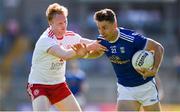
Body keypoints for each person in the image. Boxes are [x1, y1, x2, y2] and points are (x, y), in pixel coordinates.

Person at [27, 3, 106, 111]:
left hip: (59, 85)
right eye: (60, 23)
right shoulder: (46, 40)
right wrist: (87, 48)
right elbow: (65, 55)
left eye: (65, 21)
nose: (64, 25)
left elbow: (90, 42)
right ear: (50, 23)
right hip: (39, 85)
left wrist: (106, 43)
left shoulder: (69, 36)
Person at [86, 8, 164, 111]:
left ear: (114, 24)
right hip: (125, 89)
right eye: (99, 28)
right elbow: (97, 53)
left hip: (146, 87)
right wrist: (85, 54)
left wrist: (154, 70)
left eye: (104, 27)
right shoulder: (102, 40)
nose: (102, 32)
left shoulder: (131, 38)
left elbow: (158, 48)